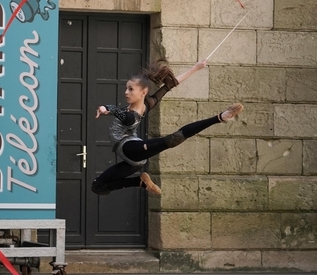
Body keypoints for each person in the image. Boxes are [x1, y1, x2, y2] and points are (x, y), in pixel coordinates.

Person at [91, 59, 244, 196]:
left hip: (130, 149)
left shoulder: (132, 116)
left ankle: (219, 117)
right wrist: (195, 68)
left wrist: (108, 108)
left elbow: (121, 114)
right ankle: (140, 182)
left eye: (130, 89)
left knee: (172, 139)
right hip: (132, 162)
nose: (126, 92)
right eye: (126, 88)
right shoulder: (147, 104)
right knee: (97, 186)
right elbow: (170, 85)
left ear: (143, 92)